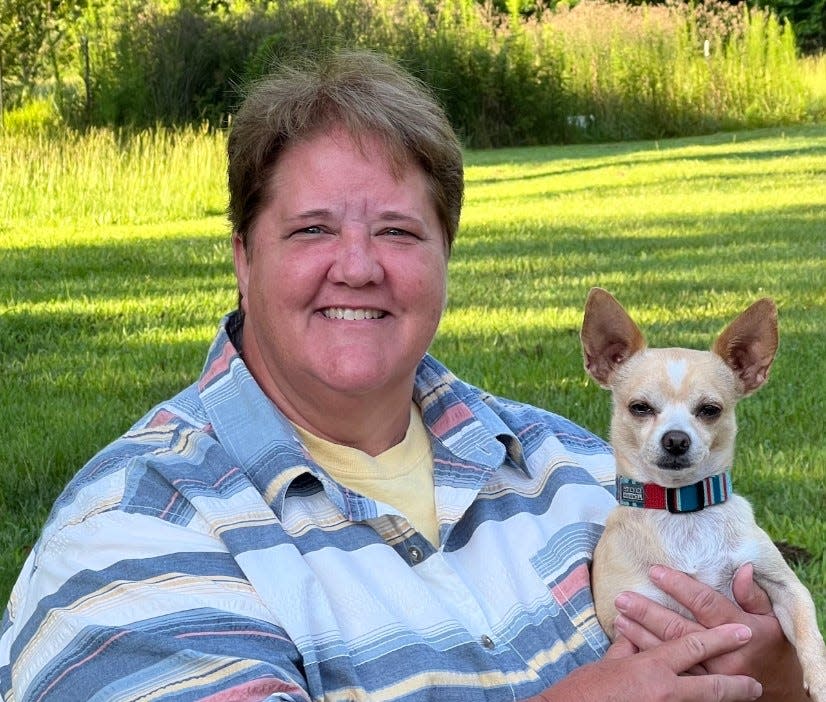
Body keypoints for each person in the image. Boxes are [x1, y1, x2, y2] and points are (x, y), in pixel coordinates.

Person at [0, 49, 808, 702]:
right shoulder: (132, 538)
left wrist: (775, 680)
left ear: (444, 261)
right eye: (313, 228)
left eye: (397, 230)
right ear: (244, 258)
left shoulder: (577, 467)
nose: (357, 267)